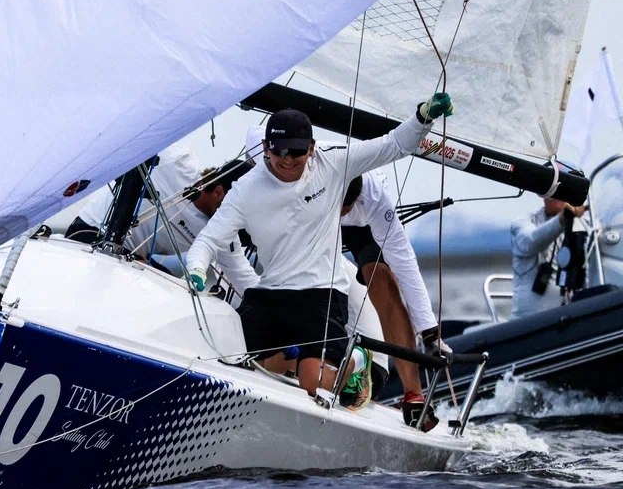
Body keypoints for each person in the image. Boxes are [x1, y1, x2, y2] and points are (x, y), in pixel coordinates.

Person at [186, 92, 454, 406]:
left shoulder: (334, 163)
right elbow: (209, 239)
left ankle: (360, 361)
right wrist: (196, 269)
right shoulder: (246, 189)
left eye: (296, 152)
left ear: (312, 149)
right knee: (236, 359)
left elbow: (395, 144)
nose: (287, 159)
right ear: (265, 148)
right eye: (278, 151)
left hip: (321, 294)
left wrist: (423, 118)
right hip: (271, 292)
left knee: (313, 381)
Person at [67, 146, 260, 296]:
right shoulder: (177, 161)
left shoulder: (221, 229)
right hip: (89, 233)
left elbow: (243, 277)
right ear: (218, 192)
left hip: (130, 258)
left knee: (179, 293)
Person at [339, 170, 447, 430]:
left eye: (346, 207)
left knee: (381, 277)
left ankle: (413, 395)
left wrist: (430, 332)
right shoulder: (296, 169)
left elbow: (405, 263)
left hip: (364, 223)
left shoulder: (374, 195)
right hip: (311, 206)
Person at [510, 194, 585, 318]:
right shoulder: (522, 223)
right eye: (552, 190)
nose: (556, 194)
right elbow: (530, 242)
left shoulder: (586, 225)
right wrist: (562, 218)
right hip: (529, 320)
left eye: (561, 190)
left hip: (572, 315)